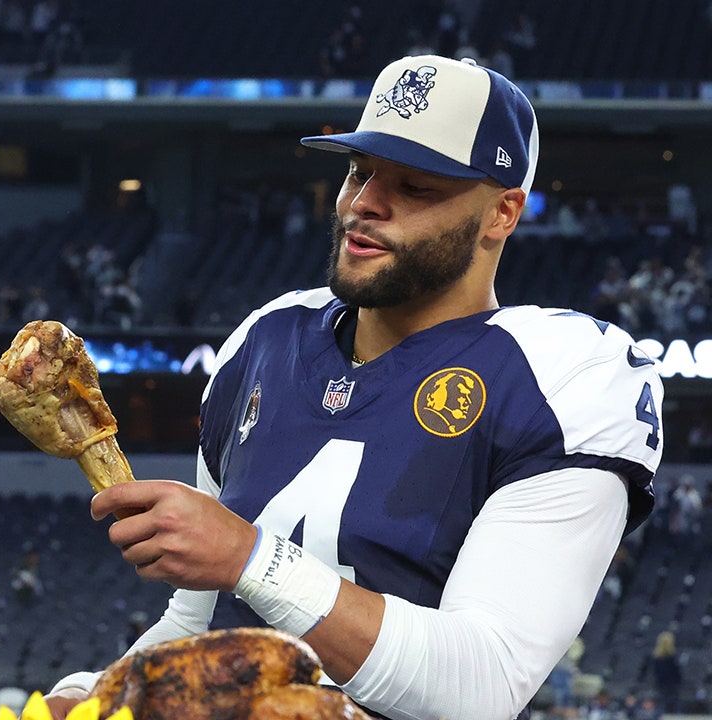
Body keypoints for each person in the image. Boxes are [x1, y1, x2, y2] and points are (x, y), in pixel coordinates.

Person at [45, 55, 663, 720]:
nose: (363, 204)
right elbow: (200, 623)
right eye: (359, 172)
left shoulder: (562, 377)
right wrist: (97, 694)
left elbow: (482, 687)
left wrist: (250, 557)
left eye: (414, 186)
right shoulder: (265, 340)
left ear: (502, 213)